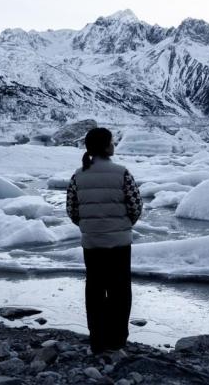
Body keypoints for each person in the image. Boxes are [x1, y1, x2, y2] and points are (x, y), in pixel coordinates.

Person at [66, 127, 143, 354]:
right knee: (120, 290)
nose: (114, 144)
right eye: (112, 141)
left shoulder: (78, 176)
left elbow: (72, 209)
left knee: (95, 290)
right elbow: (135, 206)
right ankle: (117, 340)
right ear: (106, 146)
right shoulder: (122, 173)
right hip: (119, 242)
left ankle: (97, 341)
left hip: (92, 243)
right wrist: (123, 226)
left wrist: (89, 227)